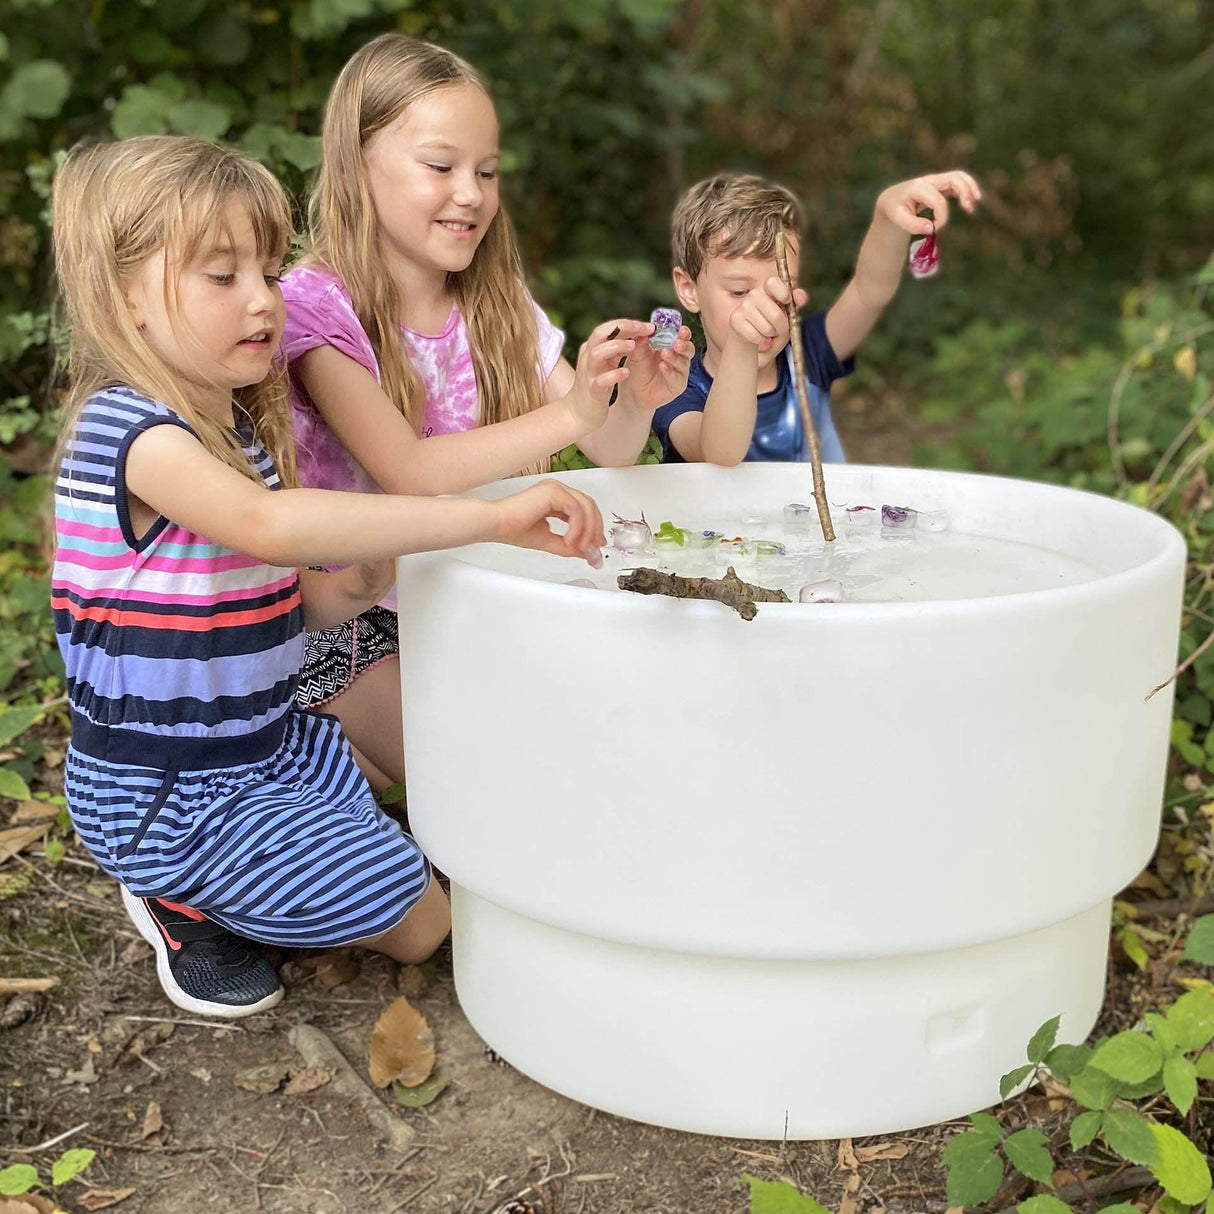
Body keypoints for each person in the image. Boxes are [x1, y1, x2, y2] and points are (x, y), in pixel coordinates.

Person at [50, 135, 612, 1018]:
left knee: (427, 867)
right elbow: (267, 529)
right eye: (221, 276)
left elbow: (268, 594)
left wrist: (345, 592)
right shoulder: (132, 433)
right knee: (427, 925)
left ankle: (281, 863)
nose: (262, 301)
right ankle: (173, 894)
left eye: (269, 274)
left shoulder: (232, 434)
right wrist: (491, 516)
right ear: (128, 296)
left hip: (266, 747)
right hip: (166, 788)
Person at [281, 32, 691, 788]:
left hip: (466, 597)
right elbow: (408, 470)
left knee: (608, 730)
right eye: (441, 166)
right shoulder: (315, 310)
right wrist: (571, 413)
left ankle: (360, 775)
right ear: (356, 165)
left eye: (487, 171)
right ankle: (319, 759)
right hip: (345, 621)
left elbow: (609, 450)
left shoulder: (496, 304)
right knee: (489, 783)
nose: (470, 192)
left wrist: (628, 400)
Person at [653, 170, 981, 465]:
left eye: (782, 291)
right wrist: (742, 345)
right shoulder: (675, 384)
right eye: (739, 292)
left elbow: (869, 291)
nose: (765, 311)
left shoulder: (808, 354)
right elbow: (718, 453)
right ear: (689, 290)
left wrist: (888, 217)